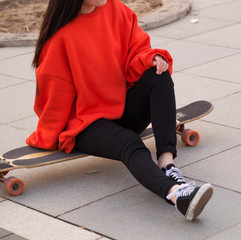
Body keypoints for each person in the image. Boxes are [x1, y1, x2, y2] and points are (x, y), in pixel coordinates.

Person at [27, 0, 213, 221]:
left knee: (158, 75)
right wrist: (51, 133)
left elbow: (137, 50)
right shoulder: (59, 37)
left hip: (120, 108)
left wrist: (150, 58)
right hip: (86, 125)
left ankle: (167, 163)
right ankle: (177, 195)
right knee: (129, 142)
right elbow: (53, 99)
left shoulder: (116, 10)